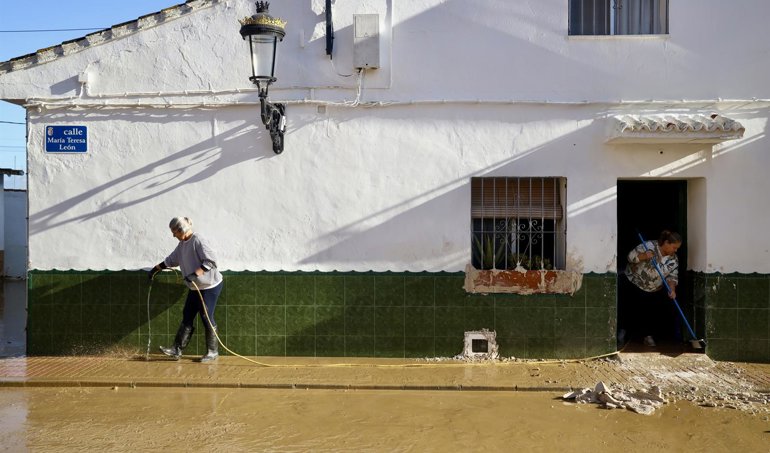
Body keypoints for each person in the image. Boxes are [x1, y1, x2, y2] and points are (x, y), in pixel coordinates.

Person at [148, 217, 223, 362]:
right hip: (195, 287)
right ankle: (176, 349)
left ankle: (213, 352)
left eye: (174, 232)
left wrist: (195, 274)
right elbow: (171, 260)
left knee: (206, 316)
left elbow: (211, 261)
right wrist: (155, 270)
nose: (173, 236)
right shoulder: (182, 244)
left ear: (181, 230)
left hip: (210, 286)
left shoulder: (198, 241)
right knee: (187, 314)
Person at [620, 230, 682, 347]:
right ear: (667, 243)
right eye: (674, 247)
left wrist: (672, 288)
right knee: (628, 309)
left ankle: (647, 337)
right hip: (634, 282)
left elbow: (672, 276)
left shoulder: (673, 259)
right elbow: (630, 257)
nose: (675, 250)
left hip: (653, 289)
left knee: (649, 313)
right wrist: (643, 256)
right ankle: (622, 333)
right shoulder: (648, 246)